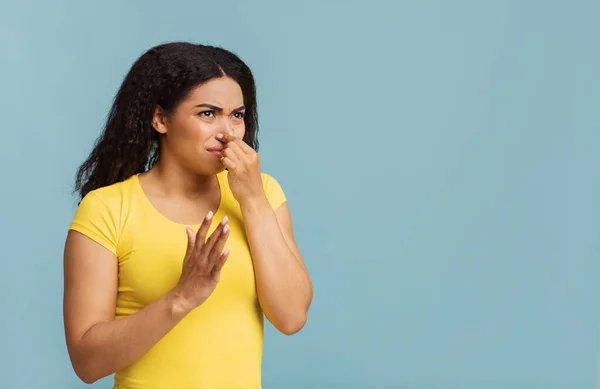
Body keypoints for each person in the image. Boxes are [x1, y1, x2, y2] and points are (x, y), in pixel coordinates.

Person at [62, 42, 313, 389]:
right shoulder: (107, 209)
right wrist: (182, 297)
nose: (227, 132)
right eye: (208, 114)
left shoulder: (263, 193)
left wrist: (252, 200)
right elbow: (87, 364)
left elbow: (291, 317)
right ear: (161, 118)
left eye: (237, 115)